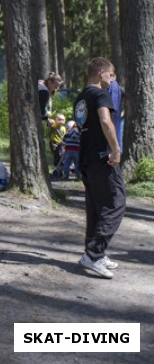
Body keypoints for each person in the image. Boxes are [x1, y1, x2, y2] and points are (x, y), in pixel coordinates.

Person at [74, 57, 123, 279]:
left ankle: (93, 253)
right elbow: (105, 121)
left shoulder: (81, 97)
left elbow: (83, 126)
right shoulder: (101, 94)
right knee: (116, 203)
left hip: (85, 158)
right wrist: (115, 148)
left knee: (95, 208)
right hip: (103, 158)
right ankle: (94, 254)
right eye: (111, 75)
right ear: (102, 73)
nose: (112, 80)